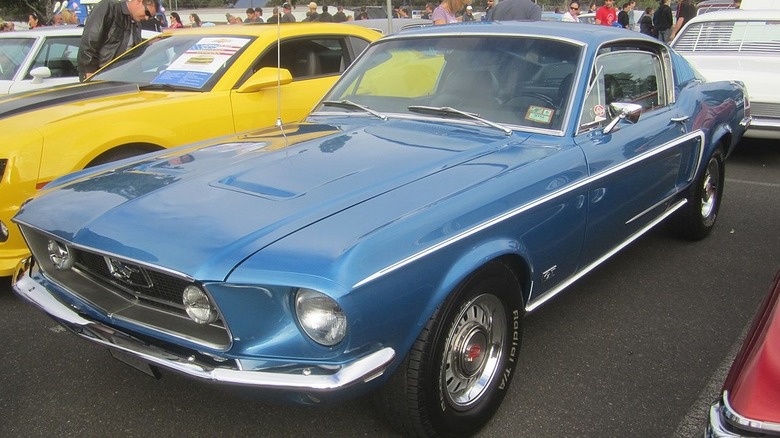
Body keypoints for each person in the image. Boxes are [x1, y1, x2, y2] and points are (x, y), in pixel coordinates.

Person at [77, 0, 157, 81]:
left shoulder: (136, 25)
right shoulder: (110, 8)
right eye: (147, 13)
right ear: (138, 1)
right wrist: (90, 72)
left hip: (120, 79)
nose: (147, 18)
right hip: (100, 76)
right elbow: (90, 41)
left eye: (150, 17)